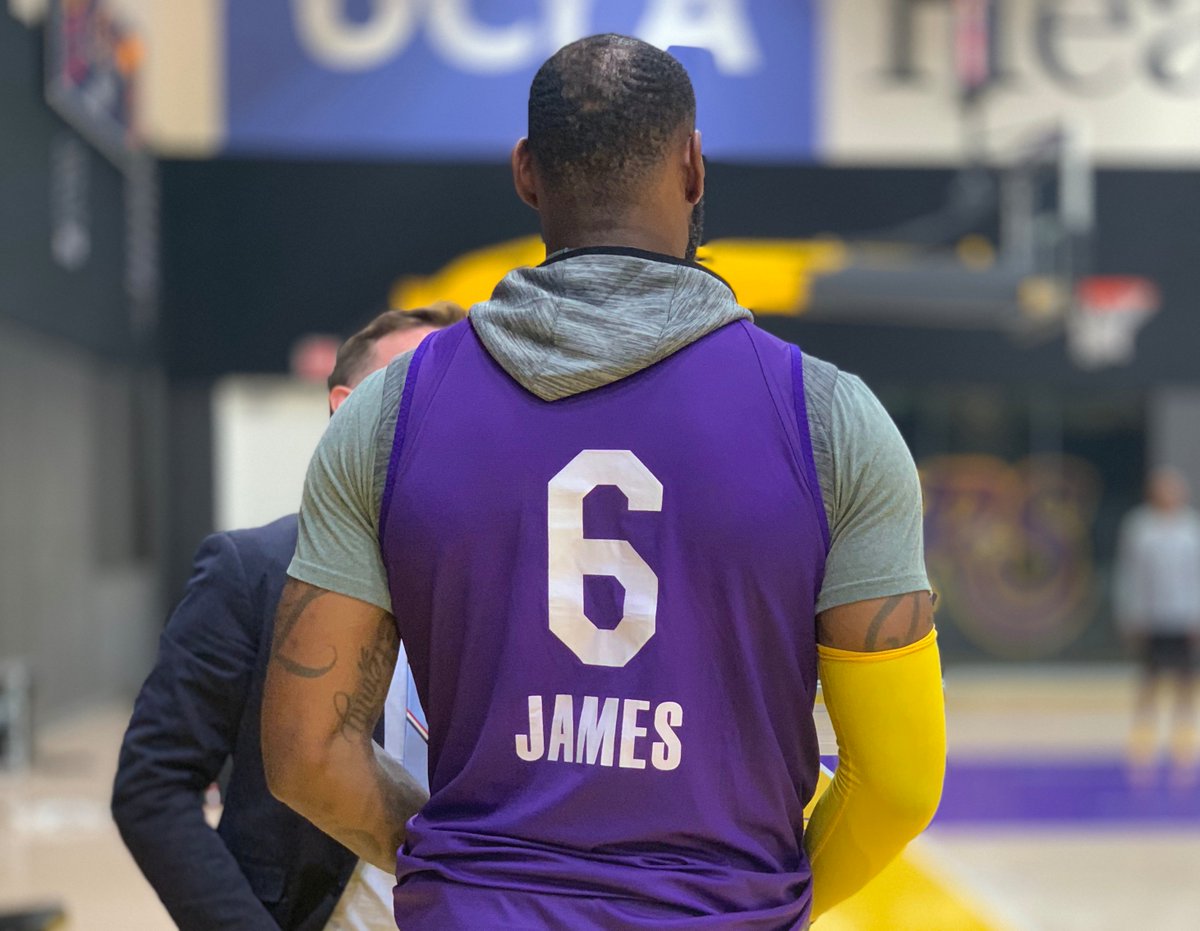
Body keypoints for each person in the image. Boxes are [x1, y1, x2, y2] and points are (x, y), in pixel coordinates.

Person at [262, 34, 946, 929]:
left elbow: (305, 752)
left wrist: (460, 870)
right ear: (695, 167)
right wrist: (762, 896)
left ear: (525, 174)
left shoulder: (386, 416)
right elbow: (897, 783)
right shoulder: (830, 420)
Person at [112, 303, 465, 931]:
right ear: (346, 410)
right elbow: (152, 787)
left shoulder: (505, 579)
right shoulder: (248, 569)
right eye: (420, 386)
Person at [1115, 466, 1200, 788]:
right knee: (1149, 676)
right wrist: (1131, 613)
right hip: (1152, 616)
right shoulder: (1140, 528)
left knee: (1185, 677)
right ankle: (1144, 730)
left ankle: (1186, 728)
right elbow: (1131, 574)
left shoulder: (1191, 528)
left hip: (1183, 614)